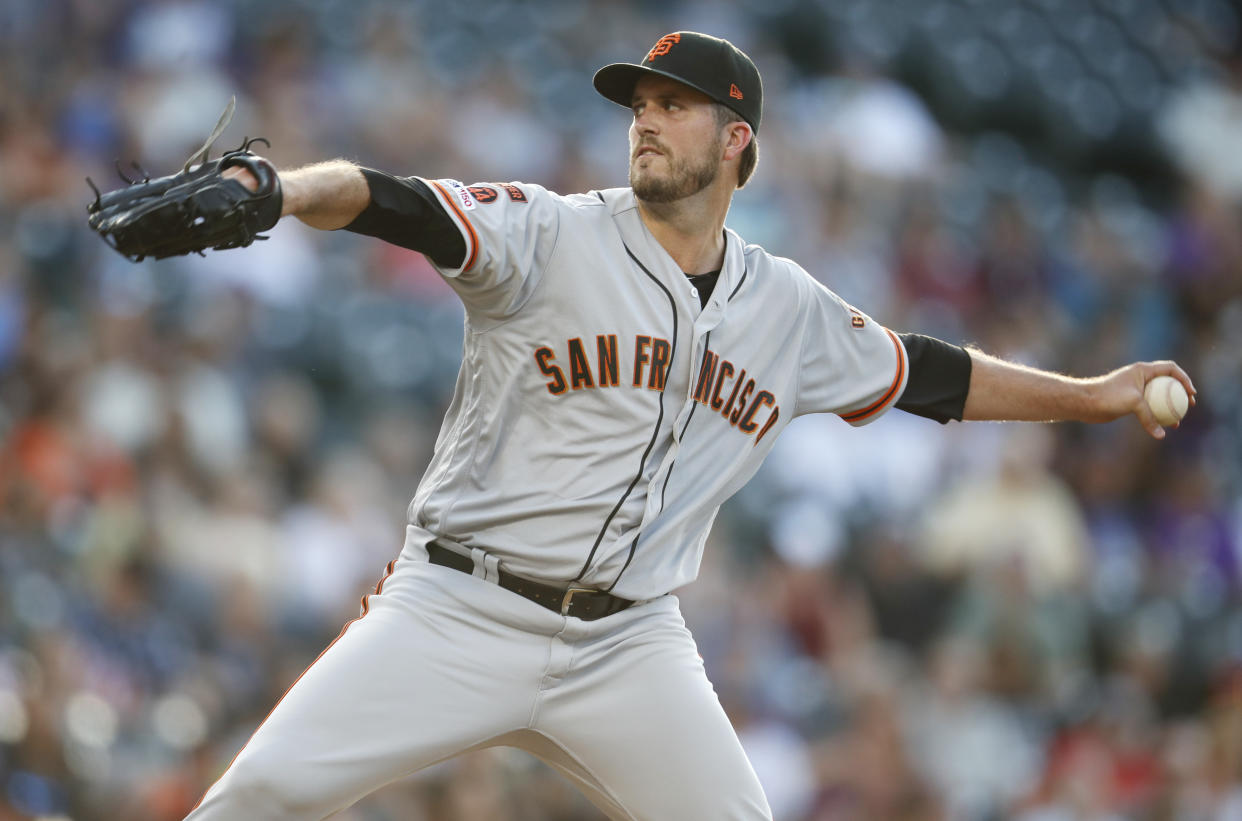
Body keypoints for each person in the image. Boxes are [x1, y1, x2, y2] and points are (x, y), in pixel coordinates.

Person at [187, 32, 1195, 820]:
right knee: (262, 796)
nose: (647, 120)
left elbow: (934, 375)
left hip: (629, 644)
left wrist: (1094, 393)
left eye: (675, 106)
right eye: (641, 104)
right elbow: (386, 198)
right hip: (458, 604)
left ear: (736, 138)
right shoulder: (548, 233)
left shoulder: (786, 306)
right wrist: (272, 189)